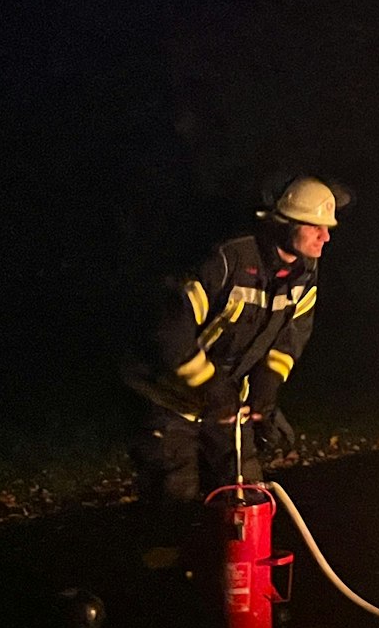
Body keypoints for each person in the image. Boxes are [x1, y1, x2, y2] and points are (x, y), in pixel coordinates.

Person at [125, 176, 341, 516]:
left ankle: (230, 570)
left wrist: (266, 389)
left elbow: (292, 336)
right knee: (174, 506)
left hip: (228, 407)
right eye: (316, 227)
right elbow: (171, 333)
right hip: (170, 401)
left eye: (327, 228)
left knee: (246, 501)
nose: (326, 237)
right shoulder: (228, 260)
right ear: (286, 225)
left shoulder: (305, 274)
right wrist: (212, 387)